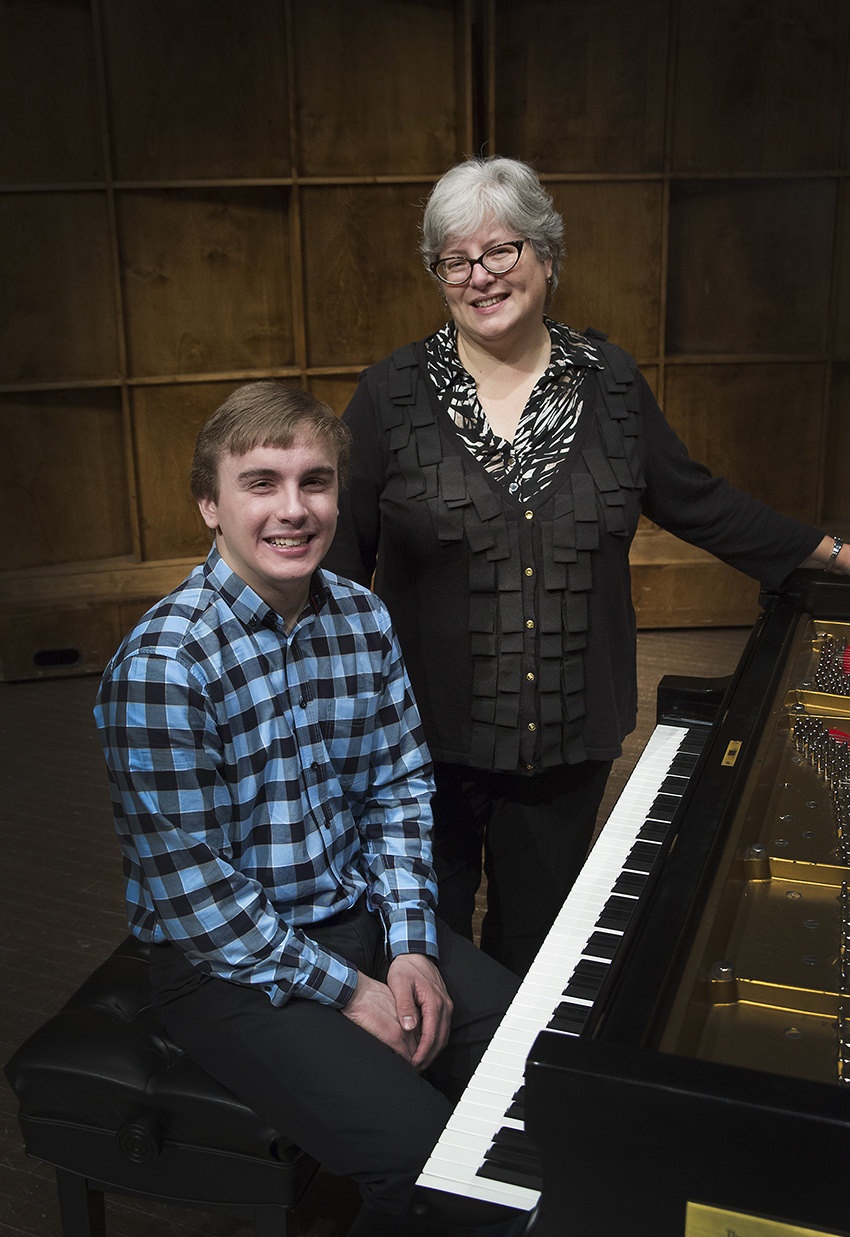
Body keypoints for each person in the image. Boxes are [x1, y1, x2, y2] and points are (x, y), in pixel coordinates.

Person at [323, 154, 850, 979]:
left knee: (540, 951)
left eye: (502, 251)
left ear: (546, 255)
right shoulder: (388, 396)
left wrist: (828, 553)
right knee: (427, 948)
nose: (480, 276)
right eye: (454, 261)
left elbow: (693, 497)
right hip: (419, 751)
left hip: (565, 739)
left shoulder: (610, 382)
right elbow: (339, 570)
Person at [93, 380, 527, 1237]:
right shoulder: (164, 666)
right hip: (225, 967)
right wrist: (352, 991)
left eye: (315, 481)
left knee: (536, 1069)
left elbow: (400, 786)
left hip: (359, 917)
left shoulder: (361, 616)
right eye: (261, 482)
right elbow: (202, 902)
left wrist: (409, 939)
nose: (294, 510)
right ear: (210, 503)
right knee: (426, 1168)